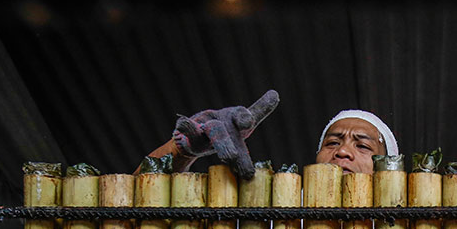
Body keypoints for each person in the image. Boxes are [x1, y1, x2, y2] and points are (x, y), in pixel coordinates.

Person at [140, 90, 399, 177]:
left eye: (363, 146)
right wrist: (182, 151)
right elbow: (127, 218)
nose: (342, 151)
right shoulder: (272, 227)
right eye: (332, 142)